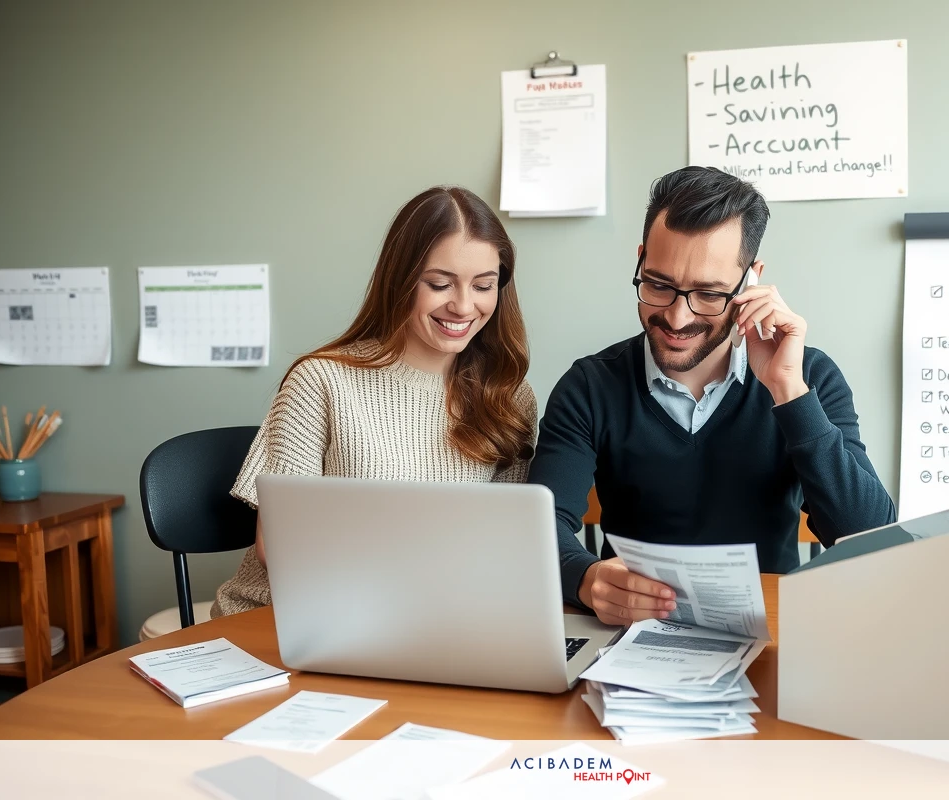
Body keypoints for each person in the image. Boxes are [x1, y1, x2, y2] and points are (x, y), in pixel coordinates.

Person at [528, 166, 896, 626]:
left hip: (770, 634)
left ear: (750, 281)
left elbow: (872, 541)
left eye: (708, 293)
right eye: (658, 284)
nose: (678, 318)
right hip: (631, 635)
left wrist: (788, 391)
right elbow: (541, 531)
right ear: (641, 260)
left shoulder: (808, 378)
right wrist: (585, 578)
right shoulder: (589, 387)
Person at [211, 186, 537, 617]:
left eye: (483, 286)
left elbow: (501, 547)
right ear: (400, 279)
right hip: (285, 620)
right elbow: (282, 547)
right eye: (440, 284)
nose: (463, 306)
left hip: (433, 621)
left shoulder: (509, 396)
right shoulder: (321, 381)